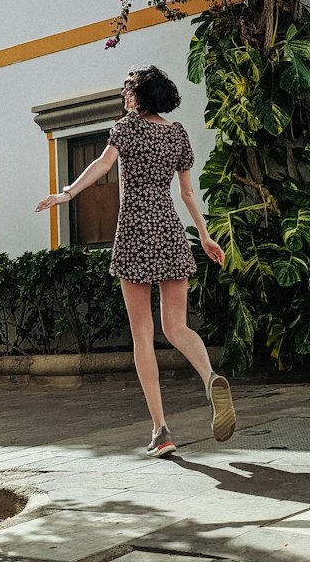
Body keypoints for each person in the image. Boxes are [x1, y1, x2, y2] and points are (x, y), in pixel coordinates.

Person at [36, 64, 236, 457]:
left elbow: (103, 165)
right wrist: (207, 236)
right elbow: (188, 194)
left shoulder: (126, 127)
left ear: (139, 96)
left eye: (128, 91)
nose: (125, 97)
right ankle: (210, 376)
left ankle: (161, 430)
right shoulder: (177, 134)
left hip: (134, 233)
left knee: (143, 335)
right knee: (177, 327)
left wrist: (68, 193)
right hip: (170, 231)